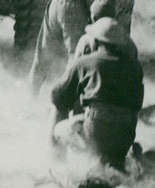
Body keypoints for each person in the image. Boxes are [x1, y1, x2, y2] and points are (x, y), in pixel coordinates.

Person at [47, 17, 145, 171]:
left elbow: (57, 97)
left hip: (97, 135)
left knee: (58, 117)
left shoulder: (85, 63)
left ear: (97, 41)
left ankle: (57, 163)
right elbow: (137, 104)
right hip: (125, 138)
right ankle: (113, 162)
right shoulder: (135, 67)